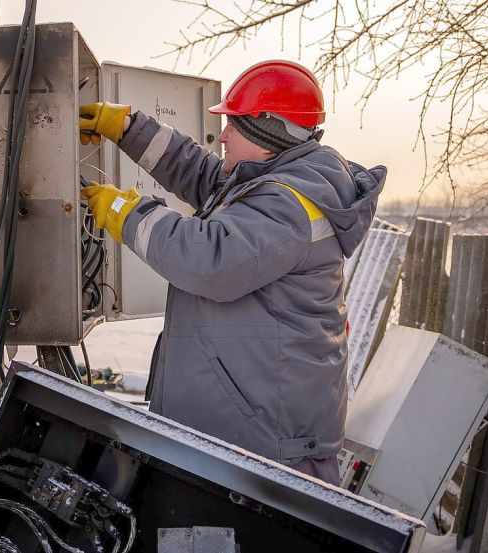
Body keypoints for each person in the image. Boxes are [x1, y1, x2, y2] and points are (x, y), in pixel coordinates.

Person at [78, 60, 383, 485]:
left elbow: (208, 261)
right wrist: (129, 128)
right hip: (243, 431)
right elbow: (200, 173)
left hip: (266, 453)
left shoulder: (290, 205)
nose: (221, 135)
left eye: (234, 126)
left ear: (268, 132)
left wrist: (124, 212)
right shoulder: (275, 179)